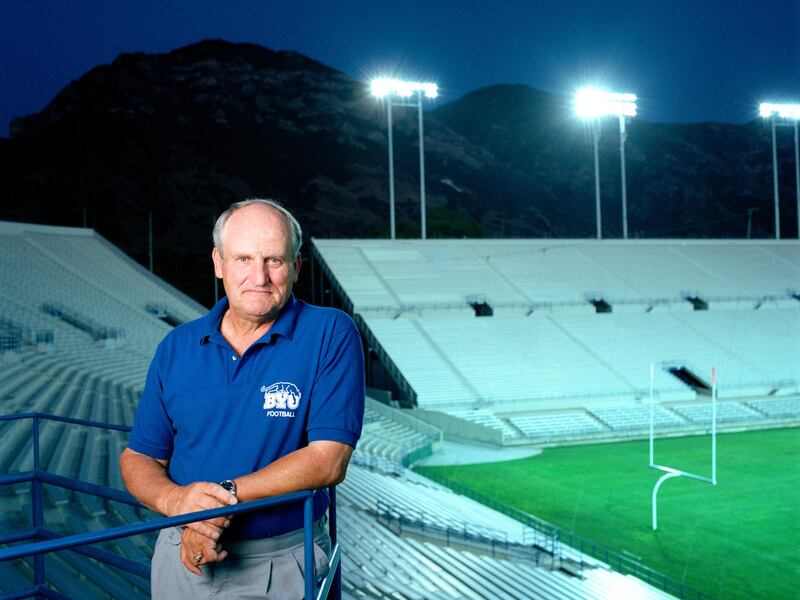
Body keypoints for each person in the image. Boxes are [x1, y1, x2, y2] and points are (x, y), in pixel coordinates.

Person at [120, 198, 365, 599]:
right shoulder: (176, 345)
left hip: (283, 560)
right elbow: (138, 457)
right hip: (182, 554)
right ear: (218, 263)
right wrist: (177, 500)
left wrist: (219, 502)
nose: (260, 276)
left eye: (274, 260)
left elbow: (328, 459)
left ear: (296, 267)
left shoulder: (330, 333)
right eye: (243, 259)